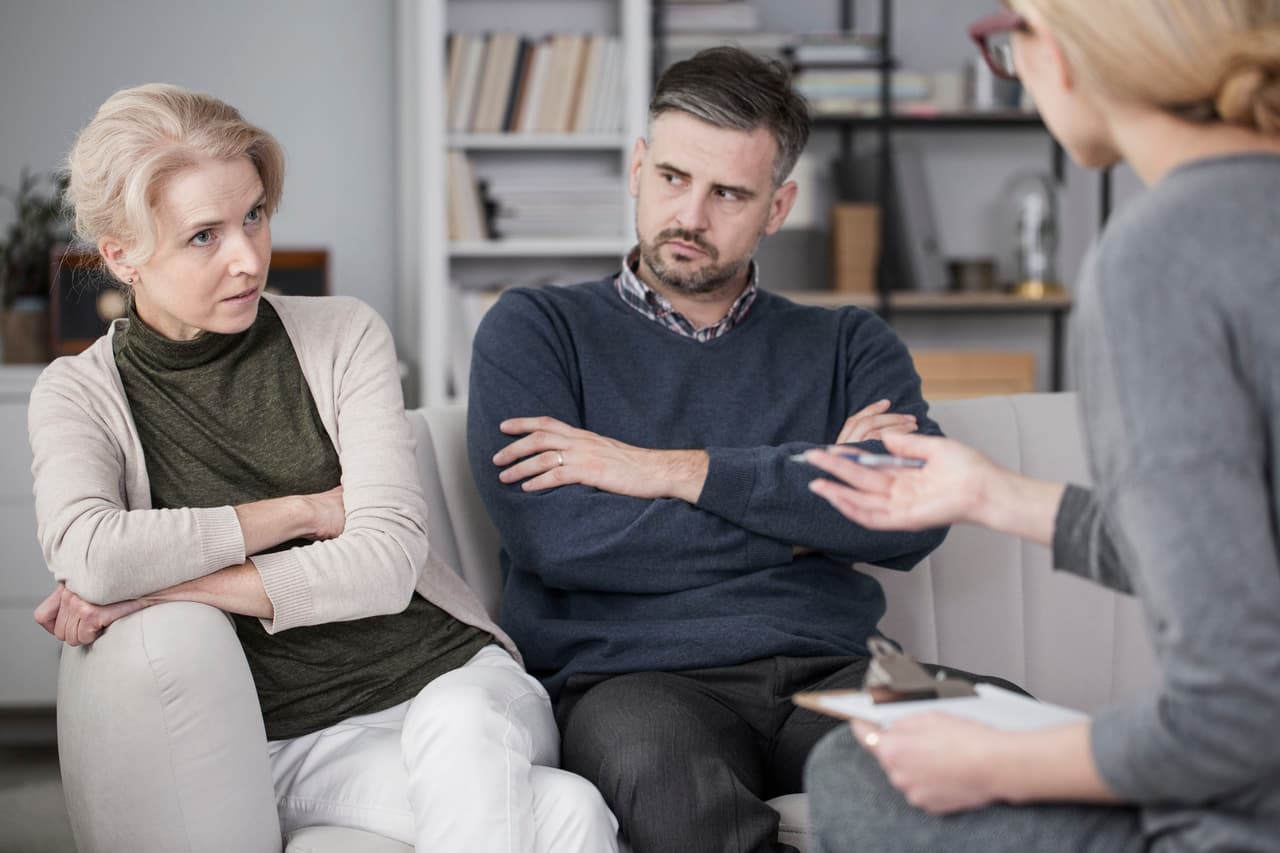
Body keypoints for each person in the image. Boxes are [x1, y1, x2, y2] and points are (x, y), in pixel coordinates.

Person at [29, 83, 617, 853]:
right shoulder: (78, 393)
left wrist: (162, 584)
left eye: (254, 216)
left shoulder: (343, 334)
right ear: (122, 254)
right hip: (299, 738)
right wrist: (302, 513)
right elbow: (92, 554)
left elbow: (384, 563)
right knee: (568, 812)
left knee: (464, 724)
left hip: (459, 678)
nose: (248, 258)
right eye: (203, 236)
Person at [466, 47, 1018, 853]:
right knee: (670, 792)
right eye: (673, 179)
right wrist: (811, 508)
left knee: (1005, 741)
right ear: (637, 167)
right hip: (632, 683)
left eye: (729, 193)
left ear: (778, 205)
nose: (691, 215)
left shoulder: (847, 342)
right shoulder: (535, 329)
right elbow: (561, 537)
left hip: (835, 669)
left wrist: (669, 472)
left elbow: (911, 513)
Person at [800, 3, 1280, 851]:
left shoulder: (1158, 259)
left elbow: (1236, 715)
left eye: (1003, 36)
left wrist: (989, 763)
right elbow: (1238, 557)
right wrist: (998, 494)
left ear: (1058, 47)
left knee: (858, 773)